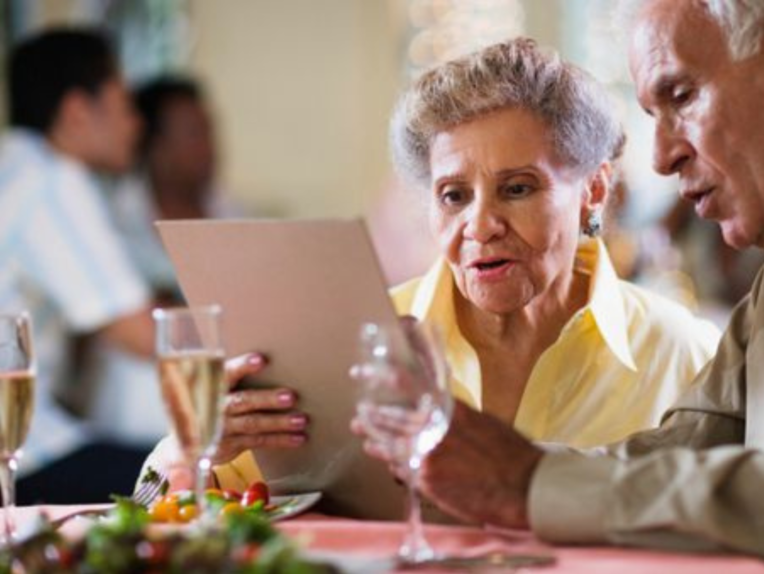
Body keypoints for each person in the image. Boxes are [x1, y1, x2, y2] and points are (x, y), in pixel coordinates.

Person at [355, 1, 764, 573]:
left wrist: (526, 482)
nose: (661, 154)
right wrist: (449, 477)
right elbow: (682, 445)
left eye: (681, 97)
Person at [140, 38, 721, 492]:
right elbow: (157, 511)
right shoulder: (347, 345)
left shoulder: (687, 358)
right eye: (453, 196)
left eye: (517, 189)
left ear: (594, 188)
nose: (480, 224)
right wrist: (188, 449)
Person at [0, 29, 157, 503]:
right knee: (199, 483)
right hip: (21, 453)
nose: (136, 124)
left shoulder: (16, 165)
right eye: (126, 105)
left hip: (27, 439)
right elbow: (138, 332)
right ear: (75, 111)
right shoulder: (50, 182)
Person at [84, 76, 242, 445]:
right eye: (192, 134)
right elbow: (138, 329)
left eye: (209, 130)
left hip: (219, 425)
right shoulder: (111, 221)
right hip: (128, 430)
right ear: (154, 145)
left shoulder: (234, 214)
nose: (210, 147)